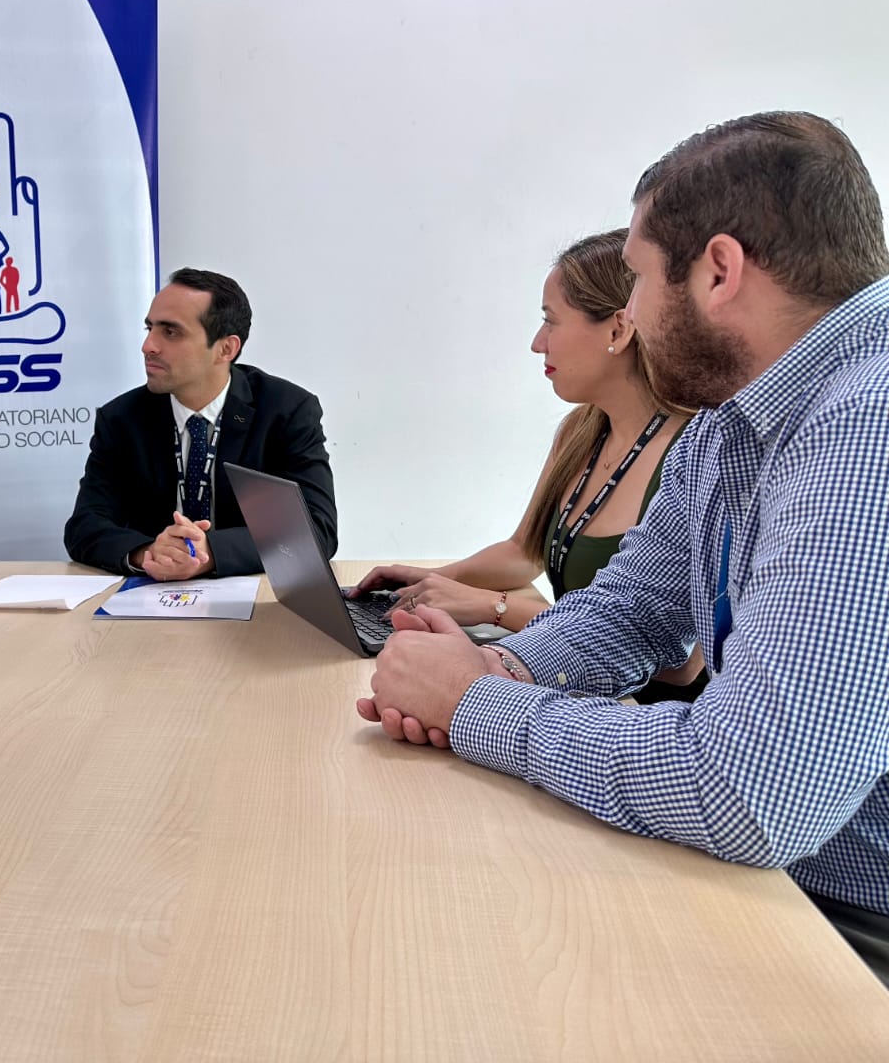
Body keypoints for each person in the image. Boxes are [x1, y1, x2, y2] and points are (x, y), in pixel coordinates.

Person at [357, 111, 889, 983]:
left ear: (719, 271)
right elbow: (632, 608)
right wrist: (498, 666)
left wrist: (473, 704)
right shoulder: (734, 417)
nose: (632, 312)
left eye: (637, 278)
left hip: (849, 919)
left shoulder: (868, 425)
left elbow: (751, 792)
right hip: (781, 880)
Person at [354, 229, 705, 702]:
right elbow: (525, 553)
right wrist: (435, 582)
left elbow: (681, 664)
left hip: (640, 714)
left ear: (618, 330)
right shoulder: (580, 431)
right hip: (571, 688)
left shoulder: (695, 453)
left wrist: (492, 607)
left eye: (550, 321)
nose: (538, 344)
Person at [64, 268, 336, 578]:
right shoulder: (122, 419)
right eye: (150, 328)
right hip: (151, 594)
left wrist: (211, 552)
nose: (148, 346)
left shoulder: (285, 411)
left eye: (171, 332)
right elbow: (84, 525)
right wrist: (149, 553)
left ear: (226, 349)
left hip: (251, 593)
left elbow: (316, 530)